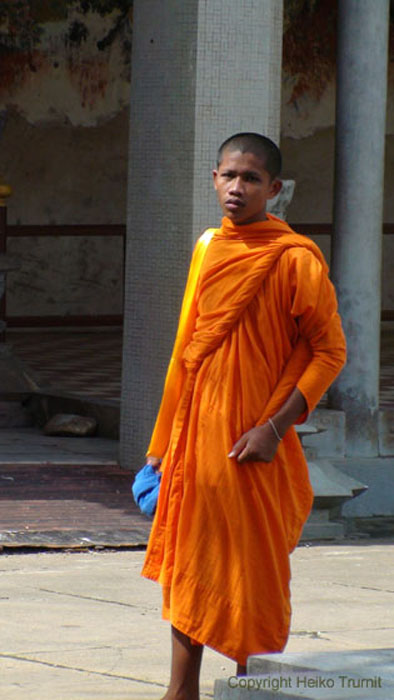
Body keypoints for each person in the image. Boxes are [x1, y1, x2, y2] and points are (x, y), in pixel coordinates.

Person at [140, 132, 346, 699]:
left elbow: (330, 351)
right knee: (192, 561)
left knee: (248, 567)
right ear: (213, 179)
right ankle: (180, 690)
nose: (238, 187)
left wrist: (274, 430)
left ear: (274, 190)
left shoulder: (294, 258)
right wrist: (160, 445)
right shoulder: (208, 247)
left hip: (253, 442)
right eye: (229, 176)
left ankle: (247, 686)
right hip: (197, 439)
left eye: (252, 179)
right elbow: (188, 350)